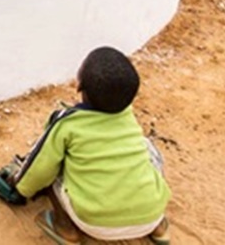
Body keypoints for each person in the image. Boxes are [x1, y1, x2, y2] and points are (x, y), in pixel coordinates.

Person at [10, 46, 171, 244]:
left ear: (80, 87)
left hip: (95, 222)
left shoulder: (68, 123)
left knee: (53, 165)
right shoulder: (128, 116)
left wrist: (20, 186)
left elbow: (40, 169)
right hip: (151, 214)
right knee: (148, 149)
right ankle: (159, 228)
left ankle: (65, 228)